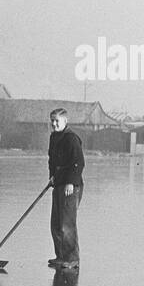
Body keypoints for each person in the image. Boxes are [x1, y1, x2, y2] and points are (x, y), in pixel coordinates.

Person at [47, 107, 84, 270]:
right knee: (55, 223)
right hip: (58, 184)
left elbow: (78, 162)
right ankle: (61, 256)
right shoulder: (54, 137)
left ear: (65, 121)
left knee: (66, 224)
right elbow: (52, 160)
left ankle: (72, 259)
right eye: (52, 121)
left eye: (57, 121)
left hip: (71, 186)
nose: (54, 124)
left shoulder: (71, 138)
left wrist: (70, 182)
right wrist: (52, 176)